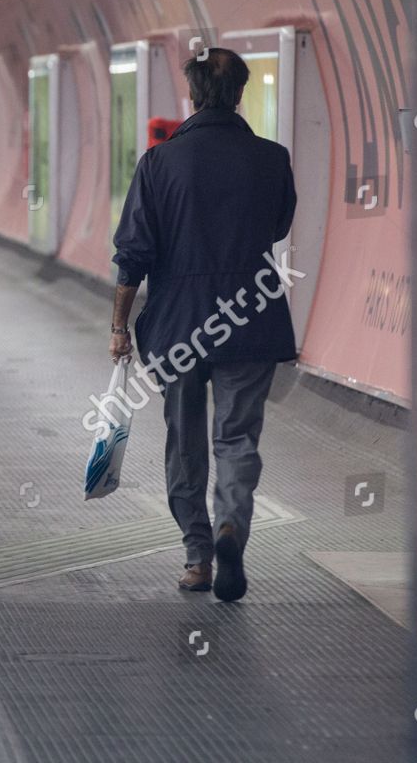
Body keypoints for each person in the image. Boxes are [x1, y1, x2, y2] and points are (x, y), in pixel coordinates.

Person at [109, 48, 297, 603]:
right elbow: (280, 224)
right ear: (239, 94)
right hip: (251, 318)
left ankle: (198, 558)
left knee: (185, 440)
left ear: (191, 94)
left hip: (180, 325)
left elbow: (134, 252)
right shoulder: (272, 158)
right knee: (237, 438)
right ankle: (230, 524)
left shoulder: (160, 163)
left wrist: (119, 325)